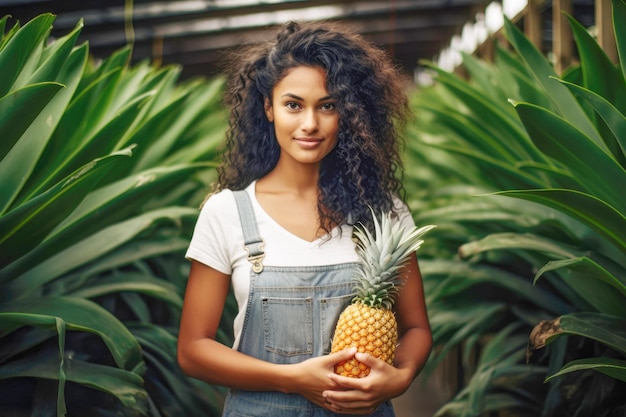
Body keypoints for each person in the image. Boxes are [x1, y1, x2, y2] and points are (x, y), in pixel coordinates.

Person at [177, 20, 432, 416]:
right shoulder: (226, 212)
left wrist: (400, 377)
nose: (310, 124)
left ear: (348, 113)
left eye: (327, 105)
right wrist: (292, 378)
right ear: (268, 108)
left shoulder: (383, 211)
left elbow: (416, 328)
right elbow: (193, 350)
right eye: (293, 105)